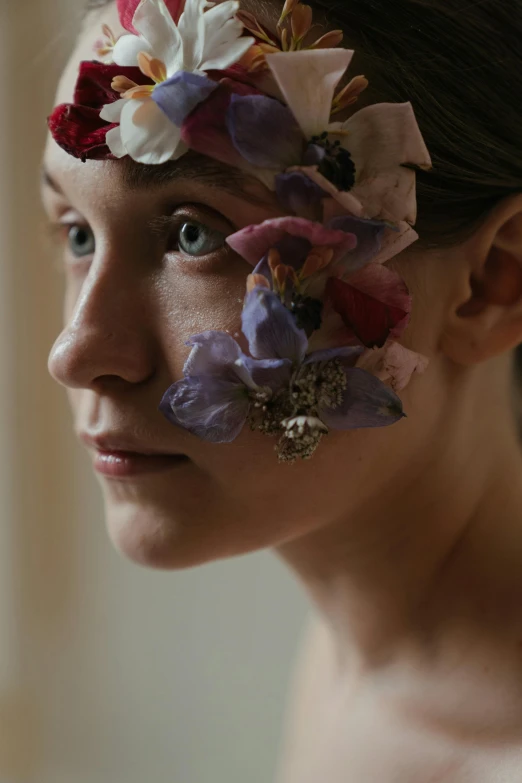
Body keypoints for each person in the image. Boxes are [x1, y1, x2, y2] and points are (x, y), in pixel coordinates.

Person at [41, 0, 522, 779]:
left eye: (191, 232)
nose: (75, 351)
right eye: (77, 233)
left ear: (495, 283)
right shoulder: (351, 658)